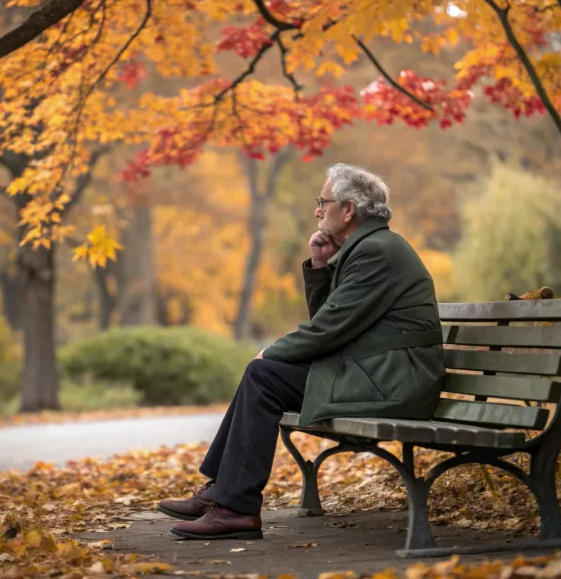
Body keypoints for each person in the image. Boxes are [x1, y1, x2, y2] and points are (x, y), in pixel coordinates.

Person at [158, 163, 445, 540]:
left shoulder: (376, 252)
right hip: (378, 372)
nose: (317, 210)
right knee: (262, 375)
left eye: (323, 201)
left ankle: (236, 508)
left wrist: (271, 351)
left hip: (394, 382)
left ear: (348, 210)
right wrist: (322, 266)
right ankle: (224, 493)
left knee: (263, 374)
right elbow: (333, 320)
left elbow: (328, 330)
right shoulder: (367, 247)